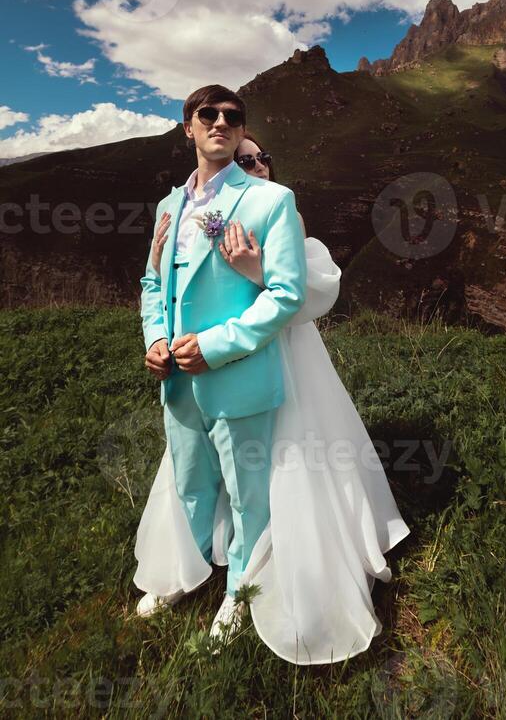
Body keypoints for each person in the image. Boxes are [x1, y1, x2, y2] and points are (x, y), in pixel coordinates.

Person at [133, 123, 411, 665]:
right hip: (214, 362)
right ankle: (195, 561)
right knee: (198, 465)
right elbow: (177, 286)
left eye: (261, 159)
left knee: (286, 461)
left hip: (283, 356)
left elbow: (310, 295)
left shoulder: (284, 215)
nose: (254, 166)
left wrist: (255, 268)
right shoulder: (202, 213)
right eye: (244, 160)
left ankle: (263, 574)